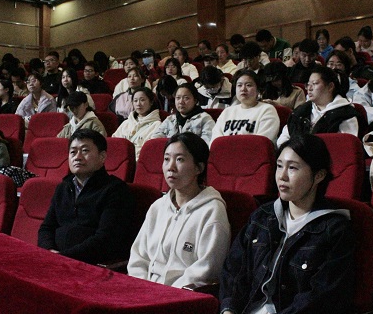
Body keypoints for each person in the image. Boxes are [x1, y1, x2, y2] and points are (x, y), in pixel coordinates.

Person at [220, 134, 355, 314]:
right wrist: (228, 309)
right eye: (279, 166)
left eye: (292, 168)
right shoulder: (262, 216)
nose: (282, 176)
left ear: (319, 175)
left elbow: (321, 297)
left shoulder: (334, 230)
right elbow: (234, 270)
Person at [128, 133, 230, 288]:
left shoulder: (212, 211)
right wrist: (141, 287)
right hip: (145, 291)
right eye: (166, 159)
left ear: (199, 167)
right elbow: (139, 257)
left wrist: (166, 294)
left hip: (181, 295)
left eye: (180, 159)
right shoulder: (158, 207)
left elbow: (207, 270)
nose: (171, 167)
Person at [38, 129, 135, 264]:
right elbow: (46, 228)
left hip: (90, 265)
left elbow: (105, 239)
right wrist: (49, 251)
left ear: (102, 157)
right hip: (55, 260)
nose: (77, 157)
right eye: (73, 152)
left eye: (85, 151)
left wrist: (62, 258)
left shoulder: (115, 190)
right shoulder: (63, 188)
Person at [277, 66, 360, 147]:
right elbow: (283, 140)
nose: (309, 88)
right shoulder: (301, 110)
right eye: (308, 84)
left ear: (330, 86)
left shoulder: (345, 114)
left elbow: (346, 146)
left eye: (315, 83)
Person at [211, 69, 280, 145]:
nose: (243, 89)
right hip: (224, 152)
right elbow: (215, 141)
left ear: (258, 90)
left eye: (248, 85)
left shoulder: (267, 110)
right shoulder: (227, 111)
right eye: (239, 85)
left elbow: (261, 142)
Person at [112, 87, 162, 160]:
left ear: (151, 102)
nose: (138, 104)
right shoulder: (126, 123)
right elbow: (114, 142)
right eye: (135, 101)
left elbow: (151, 151)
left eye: (142, 100)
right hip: (120, 161)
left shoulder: (157, 125)